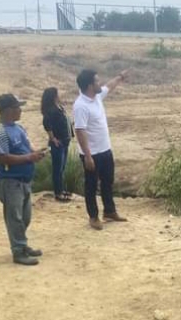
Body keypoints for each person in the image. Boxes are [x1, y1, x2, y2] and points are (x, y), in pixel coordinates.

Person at [0, 93, 47, 265]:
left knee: (24, 217)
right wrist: (30, 157)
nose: (20, 110)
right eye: (17, 107)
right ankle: (18, 252)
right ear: (8, 110)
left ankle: (22, 245)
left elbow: (27, 148)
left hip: (24, 181)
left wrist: (37, 153)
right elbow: (3, 158)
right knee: (15, 218)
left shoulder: (19, 128)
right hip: (10, 182)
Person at [73, 68, 130, 230]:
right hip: (92, 154)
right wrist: (88, 156)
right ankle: (93, 217)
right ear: (90, 86)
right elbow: (80, 131)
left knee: (107, 182)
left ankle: (109, 211)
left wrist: (120, 76)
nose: (100, 83)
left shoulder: (96, 97)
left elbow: (109, 86)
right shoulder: (81, 106)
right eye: (97, 81)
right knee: (91, 186)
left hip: (105, 150)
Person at [41, 86, 74, 202]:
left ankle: (61, 190)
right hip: (58, 143)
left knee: (62, 168)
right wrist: (53, 138)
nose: (59, 96)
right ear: (54, 96)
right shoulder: (50, 110)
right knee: (57, 169)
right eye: (57, 94)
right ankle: (58, 193)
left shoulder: (59, 107)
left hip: (65, 140)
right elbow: (47, 124)